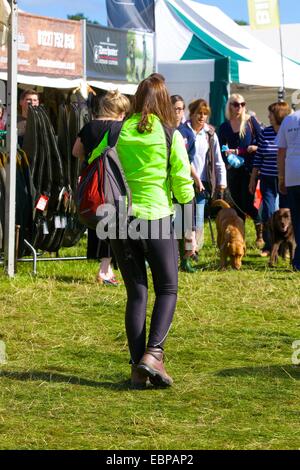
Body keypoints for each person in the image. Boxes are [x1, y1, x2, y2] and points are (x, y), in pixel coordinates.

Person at [108, 75, 196, 388]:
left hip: (118, 220)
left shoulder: (117, 132)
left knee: (136, 293)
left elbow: (96, 165)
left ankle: (136, 369)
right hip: (157, 218)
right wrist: (189, 231)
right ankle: (153, 354)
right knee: (168, 289)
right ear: (163, 101)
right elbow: (184, 186)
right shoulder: (171, 135)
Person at [72, 90, 130, 285]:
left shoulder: (89, 127)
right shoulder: (120, 128)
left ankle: (107, 269)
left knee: (98, 223)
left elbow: (76, 151)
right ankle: (105, 270)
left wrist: (92, 162)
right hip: (114, 183)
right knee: (114, 226)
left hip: (92, 184)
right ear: (120, 111)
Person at [219, 94, 263, 248]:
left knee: (248, 203)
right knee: (237, 205)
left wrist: (253, 148)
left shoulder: (251, 122)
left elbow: (263, 142)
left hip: (250, 170)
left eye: (242, 104)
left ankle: (260, 233)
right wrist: (227, 163)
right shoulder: (224, 127)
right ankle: (239, 237)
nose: (240, 107)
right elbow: (221, 148)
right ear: (229, 106)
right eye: (236, 104)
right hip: (233, 171)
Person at [183, 99, 227, 254]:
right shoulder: (183, 131)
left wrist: (221, 182)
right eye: (199, 113)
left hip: (204, 180)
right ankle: (186, 248)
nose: (201, 117)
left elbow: (218, 159)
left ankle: (196, 249)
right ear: (192, 113)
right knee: (187, 215)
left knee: (199, 215)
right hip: (184, 179)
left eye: (205, 114)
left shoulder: (210, 134)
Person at [249, 101, 291, 256]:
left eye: (271, 114)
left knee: (285, 213)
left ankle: (285, 247)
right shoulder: (265, 132)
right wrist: (253, 178)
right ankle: (269, 245)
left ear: (278, 115)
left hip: (285, 179)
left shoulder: (287, 132)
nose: (268, 116)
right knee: (268, 211)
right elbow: (259, 156)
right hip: (266, 178)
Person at [171, 94, 197, 272]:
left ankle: (185, 261)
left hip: (183, 183)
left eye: (180, 109)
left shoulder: (187, 133)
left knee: (185, 224)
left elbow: (190, 161)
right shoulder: (162, 130)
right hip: (166, 182)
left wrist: (196, 179)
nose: (178, 113)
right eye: (174, 109)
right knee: (167, 224)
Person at [276, 108, 300, 271]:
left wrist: (282, 177)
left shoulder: (289, 120)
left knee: (297, 219)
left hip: (293, 174)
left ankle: (298, 260)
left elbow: (281, 151)